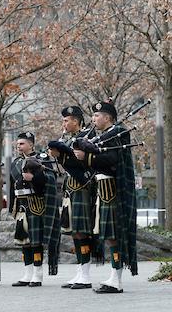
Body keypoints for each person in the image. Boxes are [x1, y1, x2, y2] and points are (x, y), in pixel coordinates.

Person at [73, 101, 138, 293]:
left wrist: (89, 156)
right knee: (108, 236)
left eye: (97, 115)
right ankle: (113, 276)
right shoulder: (104, 136)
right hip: (103, 190)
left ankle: (116, 279)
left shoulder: (118, 133)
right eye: (93, 116)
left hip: (114, 190)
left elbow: (113, 160)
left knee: (114, 235)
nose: (93, 119)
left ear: (108, 117)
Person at [48, 106, 95, 289]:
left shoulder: (86, 137)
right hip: (70, 188)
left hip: (83, 187)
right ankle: (80, 271)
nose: (64, 124)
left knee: (82, 231)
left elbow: (84, 164)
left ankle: (86, 274)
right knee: (74, 231)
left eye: (67, 120)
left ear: (76, 121)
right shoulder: (68, 139)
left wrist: (62, 155)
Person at [9, 132, 60, 287]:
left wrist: (35, 178)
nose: (19, 146)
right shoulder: (16, 162)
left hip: (35, 203)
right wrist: (13, 207)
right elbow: (13, 186)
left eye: (22, 143)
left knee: (35, 241)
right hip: (21, 204)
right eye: (17, 144)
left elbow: (51, 179)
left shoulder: (42, 159)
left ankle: (38, 274)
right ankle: (27, 274)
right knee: (24, 240)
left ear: (31, 144)